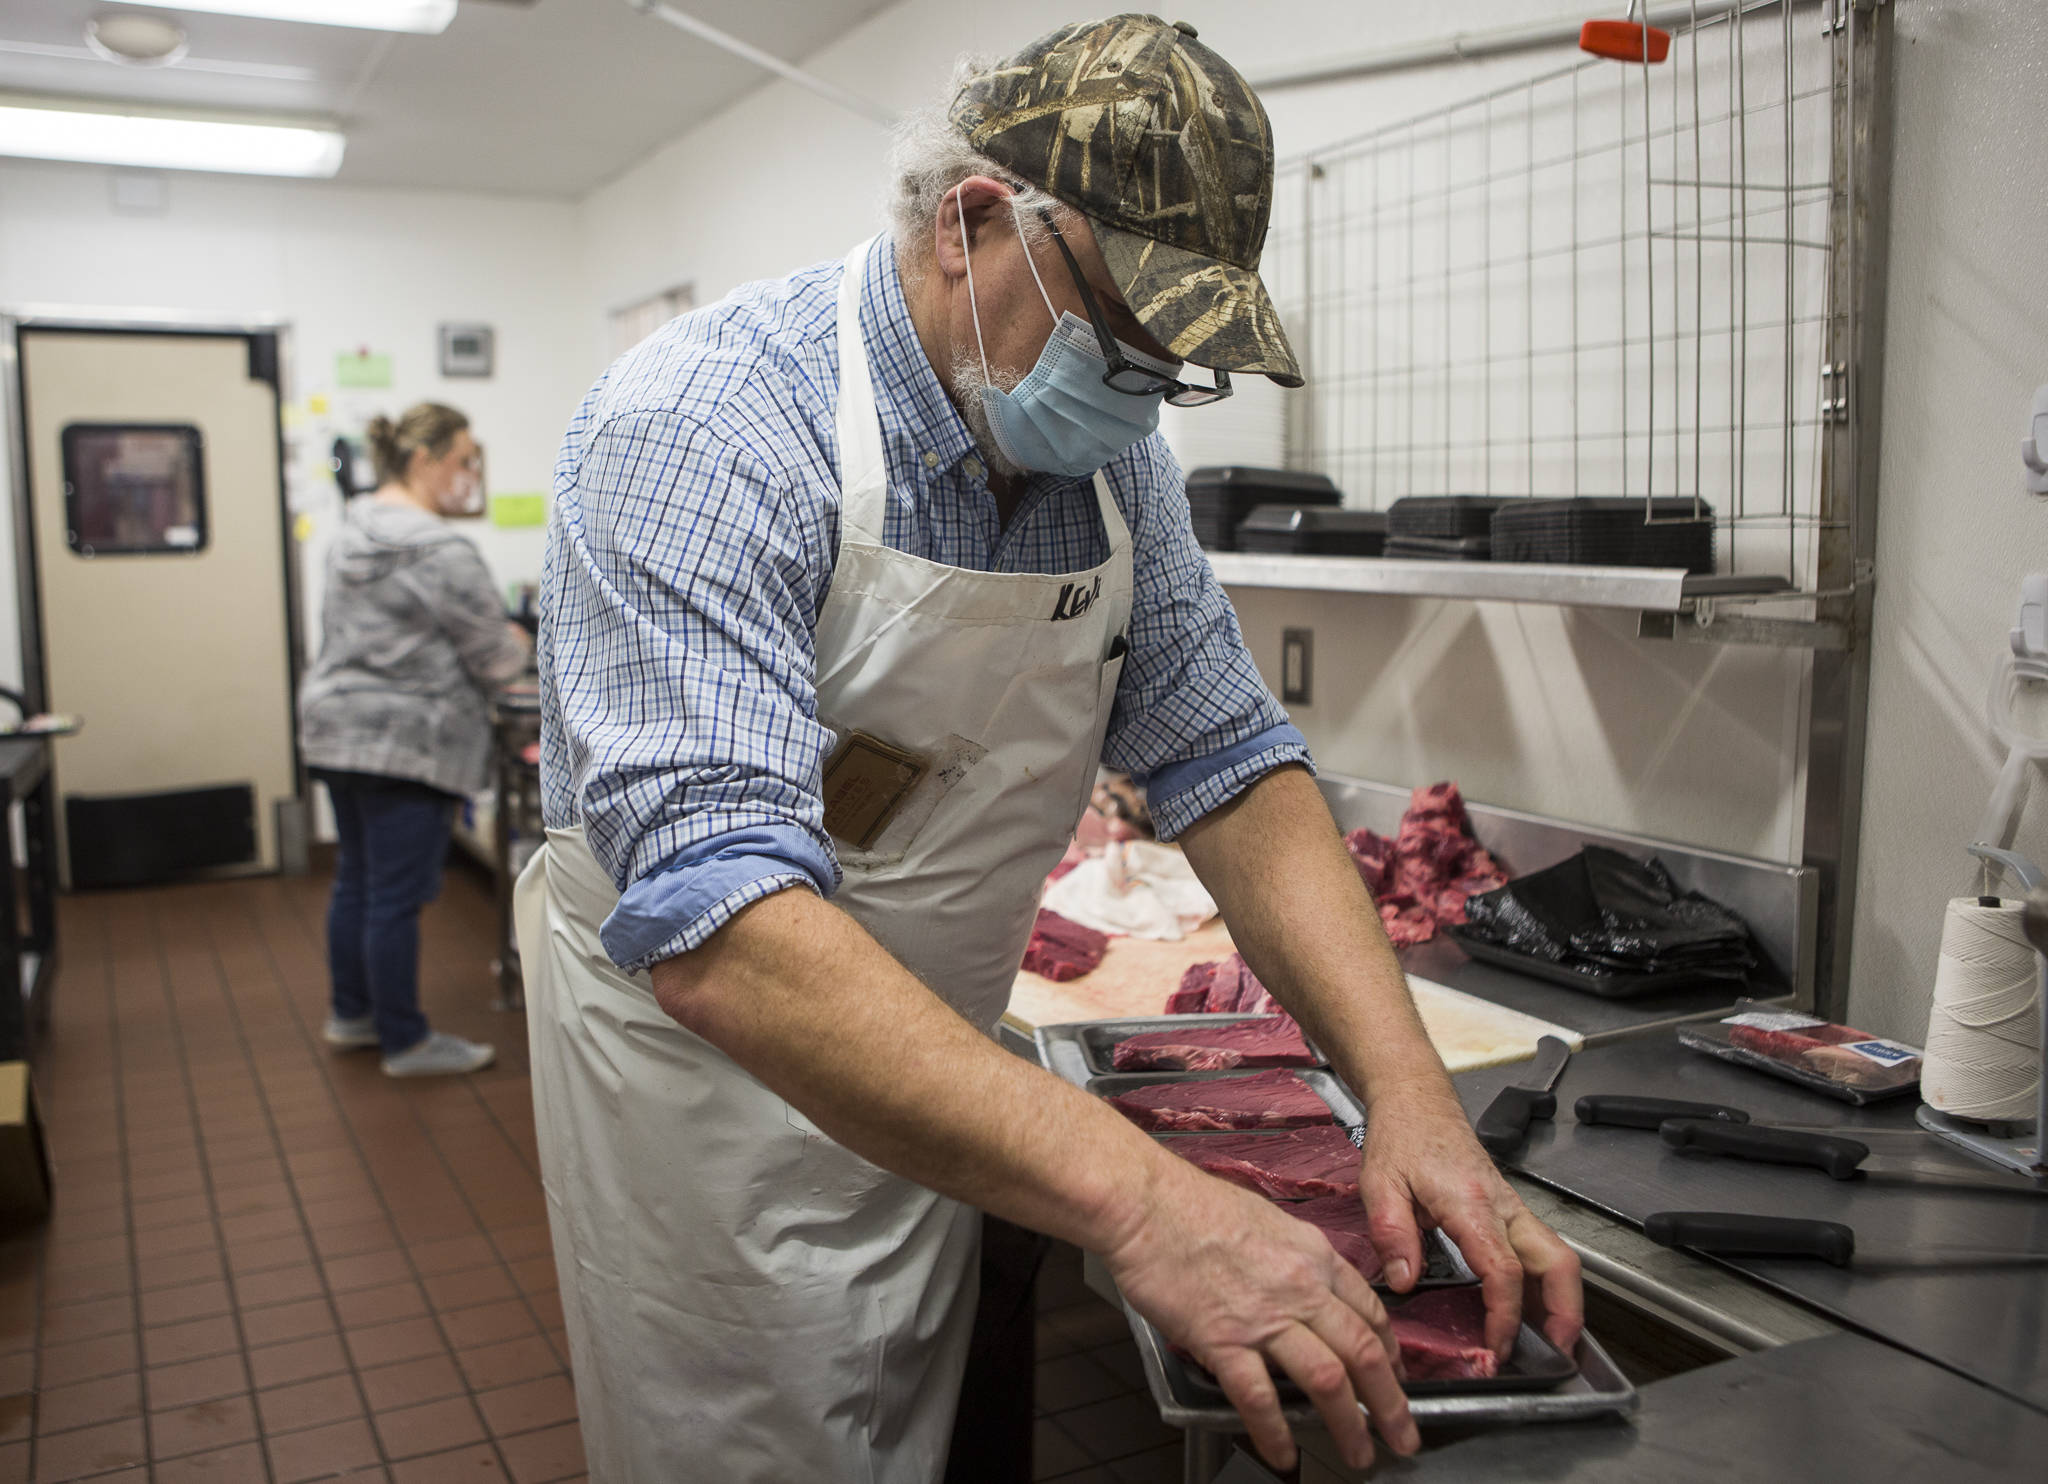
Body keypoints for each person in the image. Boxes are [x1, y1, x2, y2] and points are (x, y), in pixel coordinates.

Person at [520, 16, 1582, 1481]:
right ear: (972, 223)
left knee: (944, 1414)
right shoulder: (705, 429)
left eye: (1174, 360)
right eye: (1122, 331)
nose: (1142, 387)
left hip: (947, 1071)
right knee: (752, 1441)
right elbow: (722, 931)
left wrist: (1405, 1095)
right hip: (709, 1085)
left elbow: (1230, 764)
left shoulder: (1111, 466)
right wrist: (1152, 1208)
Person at [301, 402, 529, 1077]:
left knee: (358, 881)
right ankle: (405, 1041)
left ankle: (354, 1014)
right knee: (397, 895)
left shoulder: (353, 529)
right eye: (463, 460)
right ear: (425, 460)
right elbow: (496, 660)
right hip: (407, 740)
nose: (469, 476)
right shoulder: (441, 548)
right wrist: (517, 639)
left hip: (337, 728)